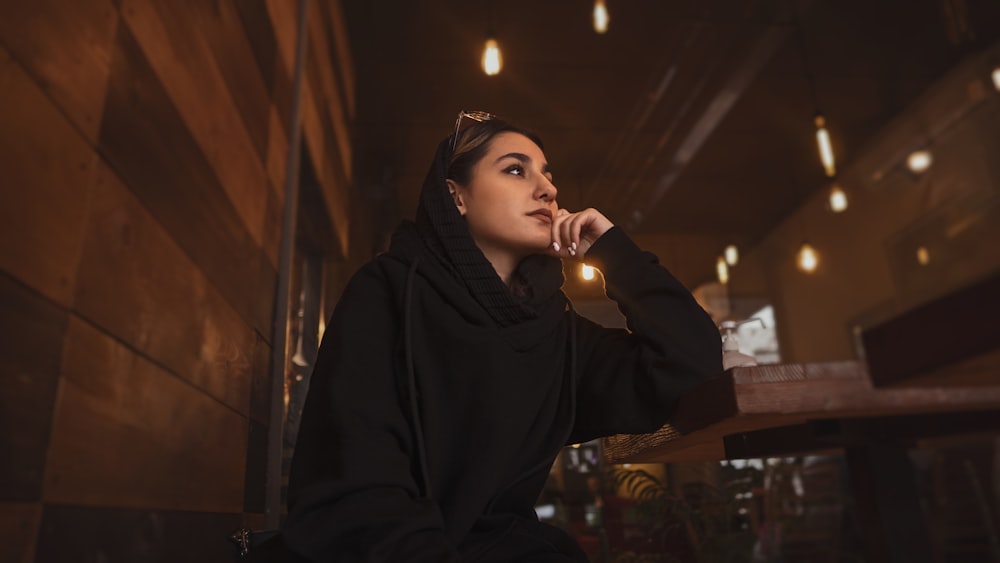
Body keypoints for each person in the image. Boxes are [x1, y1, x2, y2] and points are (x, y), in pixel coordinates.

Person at [280, 111, 723, 562]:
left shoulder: (558, 334)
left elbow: (689, 364)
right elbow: (357, 488)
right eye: (516, 169)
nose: (547, 190)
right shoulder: (388, 291)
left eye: (547, 176)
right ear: (456, 196)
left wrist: (614, 252)